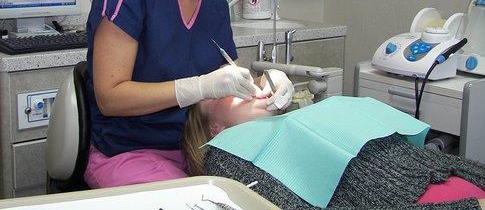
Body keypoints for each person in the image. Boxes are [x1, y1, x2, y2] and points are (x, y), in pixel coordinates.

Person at [83, 0, 294, 188]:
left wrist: (268, 83)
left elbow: (229, 82)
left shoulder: (214, 6)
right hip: (128, 151)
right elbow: (110, 98)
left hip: (196, 151)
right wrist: (198, 86)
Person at [182, 97, 485, 210]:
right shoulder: (227, 156)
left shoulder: (304, 118)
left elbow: (430, 161)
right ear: (215, 130)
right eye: (225, 90)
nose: (245, 85)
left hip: (465, 179)